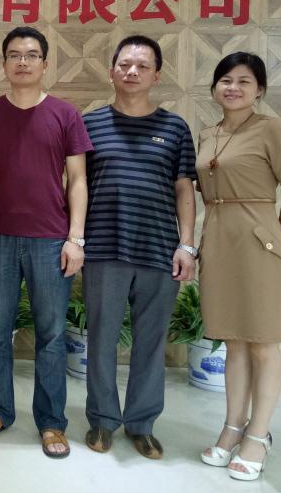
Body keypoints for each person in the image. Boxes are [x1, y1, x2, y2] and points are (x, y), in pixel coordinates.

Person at [0, 26, 92, 459]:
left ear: (45, 63)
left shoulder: (65, 114)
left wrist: (75, 238)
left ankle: (51, 421)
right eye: (14, 55)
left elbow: (78, 180)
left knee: (52, 335)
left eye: (31, 55)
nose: (23, 62)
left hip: (50, 239)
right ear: (3, 63)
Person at [81, 35, 197, 459]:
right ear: (111, 71)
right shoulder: (89, 124)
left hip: (159, 250)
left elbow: (184, 189)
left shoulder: (175, 128)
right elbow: (76, 185)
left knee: (151, 341)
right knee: (102, 338)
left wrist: (187, 245)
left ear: (156, 75)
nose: (132, 72)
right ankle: (102, 420)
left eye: (142, 66)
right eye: (125, 64)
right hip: (103, 249)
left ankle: (142, 424)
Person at [197, 52, 281, 481]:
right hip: (219, 240)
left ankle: (258, 436)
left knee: (262, 342)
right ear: (215, 88)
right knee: (234, 341)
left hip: (259, 241)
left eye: (244, 81)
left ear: (259, 89)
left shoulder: (271, 128)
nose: (233, 87)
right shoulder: (208, 134)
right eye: (226, 79)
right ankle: (232, 428)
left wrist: (274, 233)